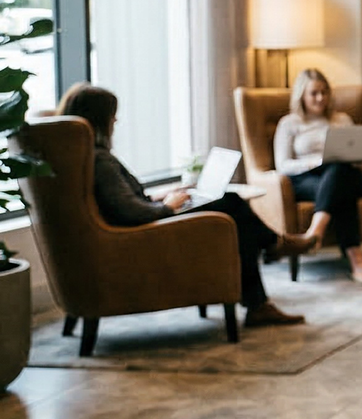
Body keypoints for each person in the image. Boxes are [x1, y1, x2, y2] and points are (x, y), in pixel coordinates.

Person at [57, 83, 313, 327]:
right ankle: (274, 248)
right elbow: (132, 213)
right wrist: (167, 206)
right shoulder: (100, 161)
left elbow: (120, 202)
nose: (115, 122)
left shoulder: (83, 157)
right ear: (98, 120)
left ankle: (269, 263)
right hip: (145, 233)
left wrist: (158, 197)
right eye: (112, 116)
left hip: (142, 224)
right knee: (230, 204)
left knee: (229, 208)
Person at [272, 68, 362, 285]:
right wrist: (316, 162)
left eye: (324, 92)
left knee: (340, 171)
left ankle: (315, 232)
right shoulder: (289, 123)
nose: (320, 98)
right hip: (305, 178)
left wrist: (356, 156)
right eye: (314, 93)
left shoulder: (342, 120)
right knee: (341, 187)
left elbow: (356, 154)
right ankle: (357, 260)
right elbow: (283, 165)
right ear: (302, 95)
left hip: (343, 173)